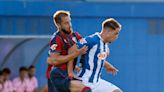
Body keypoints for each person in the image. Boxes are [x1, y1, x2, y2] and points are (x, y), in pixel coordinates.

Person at [68, 18, 122, 92]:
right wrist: (70, 72)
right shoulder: (92, 40)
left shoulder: (105, 45)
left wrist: (107, 65)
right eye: (116, 33)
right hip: (85, 81)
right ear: (108, 31)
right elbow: (71, 50)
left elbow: (95, 57)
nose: (117, 37)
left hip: (97, 82)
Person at [46, 10, 91, 92]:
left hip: (67, 73)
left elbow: (88, 48)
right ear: (59, 25)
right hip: (58, 74)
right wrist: (75, 54)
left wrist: (105, 63)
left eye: (70, 21)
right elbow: (54, 60)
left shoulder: (75, 36)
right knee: (85, 89)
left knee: (86, 88)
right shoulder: (57, 38)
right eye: (66, 23)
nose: (70, 25)